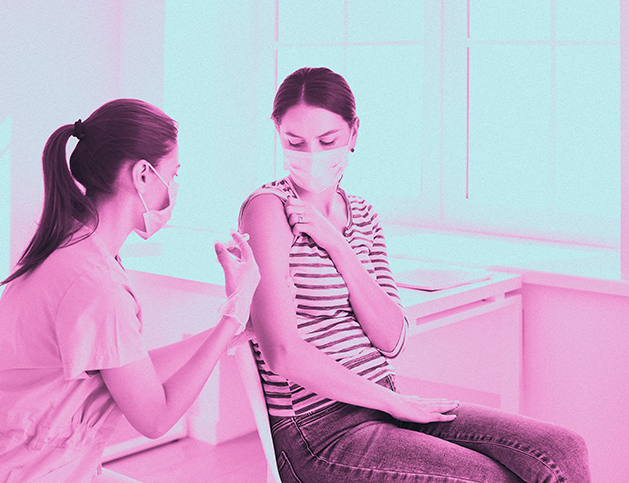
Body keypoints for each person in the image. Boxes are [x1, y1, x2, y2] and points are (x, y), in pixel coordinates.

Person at [238, 67, 590, 482]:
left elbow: (391, 338)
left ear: (353, 133)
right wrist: (394, 405)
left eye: (327, 141)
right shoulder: (268, 209)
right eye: (295, 142)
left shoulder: (363, 215)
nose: (312, 155)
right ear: (277, 133)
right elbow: (282, 353)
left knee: (562, 450)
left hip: (384, 402)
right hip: (319, 432)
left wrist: (337, 244)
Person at [0, 99, 260, 482]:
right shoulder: (96, 285)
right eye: (175, 172)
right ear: (144, 175)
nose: (176, 186)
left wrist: (231, 331)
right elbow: (155, 416)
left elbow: (131, 370)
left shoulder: (76, 246)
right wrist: (233, 311)